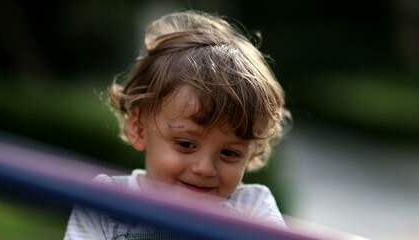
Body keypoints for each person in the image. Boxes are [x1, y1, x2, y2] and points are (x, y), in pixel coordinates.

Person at [64, 10, 290, 240]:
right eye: (186, 143)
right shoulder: (107, 200)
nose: (205, 168)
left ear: (250, 153)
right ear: (139, 129)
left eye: (229, 152)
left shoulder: (251, 210)